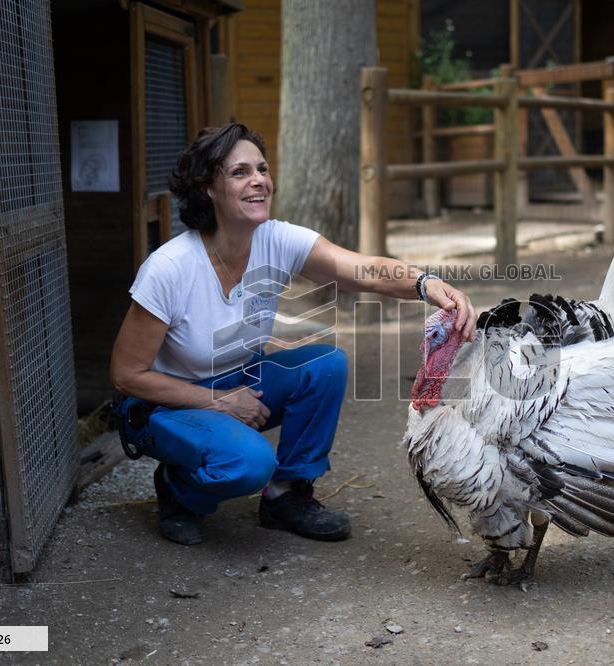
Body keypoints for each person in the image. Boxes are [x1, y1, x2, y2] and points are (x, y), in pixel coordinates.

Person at [110, 123, 475, 546]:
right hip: (162, 405)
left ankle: (287, 497)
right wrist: (217, 402)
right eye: (239, 172)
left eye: (262, 169)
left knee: (325, 364)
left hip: (237, 378)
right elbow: (125, 375)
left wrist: (426, 284)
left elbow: (361, 269)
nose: (259, 180)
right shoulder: (170, 268)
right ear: (208, 187)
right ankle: (179, 491)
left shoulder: (276, 239)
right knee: (249, 464)